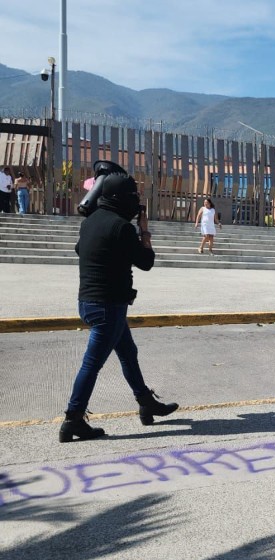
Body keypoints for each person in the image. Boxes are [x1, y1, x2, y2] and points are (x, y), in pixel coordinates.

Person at [60, 172, 178, 442]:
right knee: (91, 364)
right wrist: (144, 230)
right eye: (132, 196)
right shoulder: (121, 227)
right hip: (108, 306)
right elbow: (146, 261)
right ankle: (73, 419)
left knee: (128, 352)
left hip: (88, 302)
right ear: (120, 198)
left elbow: (80, 250)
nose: (135, 202)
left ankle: (146, 403)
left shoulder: (90, 222)